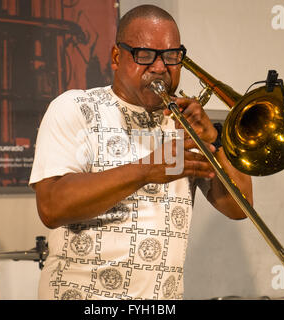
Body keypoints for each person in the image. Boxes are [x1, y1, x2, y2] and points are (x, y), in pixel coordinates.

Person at [29, 5, 252, 300]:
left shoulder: (184, 124)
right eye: (144, 55)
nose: (160, 67)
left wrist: (215, 141)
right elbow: (52, 206)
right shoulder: (76, 108)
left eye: (171, 56)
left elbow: (240, 208)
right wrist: (147, 170)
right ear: (116, 57)